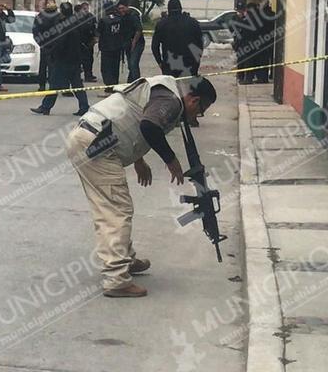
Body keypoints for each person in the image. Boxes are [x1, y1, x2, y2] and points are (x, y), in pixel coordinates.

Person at [66, 76, 218, 297]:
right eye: (201, 110)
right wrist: (171, 160)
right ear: (193, 100)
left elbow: (134, 117)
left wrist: (139, 159)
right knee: (115, 211)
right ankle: (116, 279)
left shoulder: (164, 90)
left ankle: (124, 259)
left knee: (117, 207)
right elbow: (149, 126)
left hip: (92, 139)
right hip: (97, 147)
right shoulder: (171, 101)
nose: (197, 116)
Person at [31, 3, 91, 116]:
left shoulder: (63, 25)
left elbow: (60, 43)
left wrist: (51, 53)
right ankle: (84, 106)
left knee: (54, 84)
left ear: (62, 12)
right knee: (77, 84)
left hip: (63, 59)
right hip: (75, 59)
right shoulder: (76, 22)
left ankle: (45, 107)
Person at [151, 0, 204, 78]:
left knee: (172, 89)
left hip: (169, 65)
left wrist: (160, 62)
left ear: (168, 9)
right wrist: (196, 61)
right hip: (190, 64)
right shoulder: (193, 23)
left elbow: (154, 46)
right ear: (181, 8)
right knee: (189, 89)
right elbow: (200, 43)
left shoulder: (161, 24)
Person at [97, 1, 125, 92]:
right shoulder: (120, 19)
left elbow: (98, 33)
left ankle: (109, 85)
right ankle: (114, 83)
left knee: (106, 67)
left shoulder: (103, 20)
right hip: (118, 46)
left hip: (106, 47)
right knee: (115, 66)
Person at [35, 0, 61, 91]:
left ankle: (52, 85)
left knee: (53, 67)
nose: (50, 5)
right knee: (43, 66)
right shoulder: (40, 16)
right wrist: (40, 42)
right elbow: (36, 31)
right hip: (45, 44)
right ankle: (42, 85)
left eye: (52, 3)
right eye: (48, 3)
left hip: (56, 45)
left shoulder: (59, 16)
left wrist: (59, 42)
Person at [119, 1, 144, 83]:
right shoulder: (122, 18)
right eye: (119, 8)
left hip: (137, 43)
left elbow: (138, 30)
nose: (121, 10)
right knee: (130, 65)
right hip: (127, 44)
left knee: (133, 63)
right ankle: (130, 82)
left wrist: (134, 42)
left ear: (127, 7)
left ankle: (138, 83)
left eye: (122, 8)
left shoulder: (133, 16)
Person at [75, 2, 98, 82]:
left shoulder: (91, 17)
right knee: (79, 60)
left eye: (87, 8)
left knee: (89, 60)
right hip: (79, 42)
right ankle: (77, 76)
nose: (86, 10)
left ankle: (89, 75)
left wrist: (95, 38)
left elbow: (95, 28)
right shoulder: (77, 18)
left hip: (89, 41)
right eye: (84, 9)